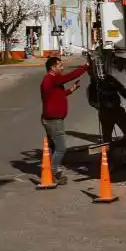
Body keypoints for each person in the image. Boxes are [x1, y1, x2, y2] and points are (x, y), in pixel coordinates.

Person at [40, 55, 90, 185]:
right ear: (52, 67)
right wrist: (85, 67)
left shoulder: (51, 81)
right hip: (54, 120)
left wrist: (69, 91)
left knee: (54, 147)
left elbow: (54, 96)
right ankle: (53, 172)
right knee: (61, 148)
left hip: (52, 119)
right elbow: (69, 76)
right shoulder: (51, 79)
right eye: (60, 65)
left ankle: (55, 172)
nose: (62, 68)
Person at [95, 68, 126, 166]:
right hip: (106, 112)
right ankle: (108, 158)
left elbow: (121, 89)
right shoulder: (94, 84)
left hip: (117, 110)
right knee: (107, 136)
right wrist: (101, 106)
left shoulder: (110, 79)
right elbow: (92, 101)